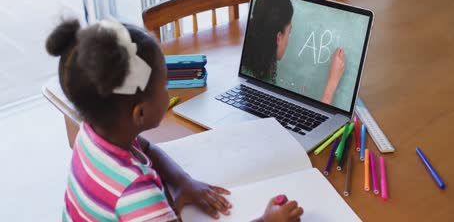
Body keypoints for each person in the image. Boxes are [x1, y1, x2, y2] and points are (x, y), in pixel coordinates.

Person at [46, 19, 303, 221]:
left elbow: (146, 148)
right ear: (140, 113)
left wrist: (182, 182)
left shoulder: (92, 133)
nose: (169, 92)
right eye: (165, 85)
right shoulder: (137, 194)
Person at [242, 0, 345, 104]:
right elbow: (313, 122)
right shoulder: (261, 84)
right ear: (279, 37)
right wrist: (332, 82)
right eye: (289, 32)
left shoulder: (249, 66)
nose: (288, 40)